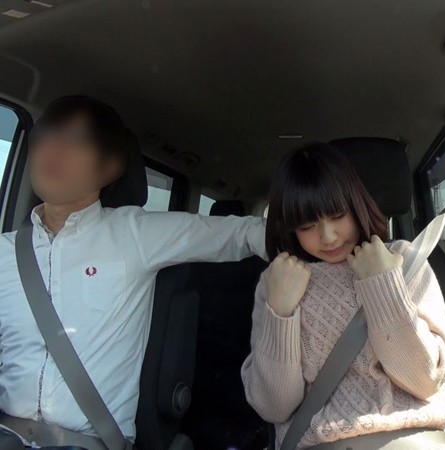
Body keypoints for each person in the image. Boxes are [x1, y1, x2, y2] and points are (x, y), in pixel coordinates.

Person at [0, 96, 266, 445]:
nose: (53, 148)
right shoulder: (5, 250)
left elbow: (244, 234)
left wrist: (320, 248)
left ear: (109, 167)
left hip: (90, 442)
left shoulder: (136, 233)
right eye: (44, 135)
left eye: (76, 139)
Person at [241, 143, 445, 449]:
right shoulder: (275, 283)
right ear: (290, 228)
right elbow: (273, 407)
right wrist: (280, 311)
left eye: (338, 215)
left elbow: (424, 380)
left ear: (357, 205)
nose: (328, 237)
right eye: (307, 225)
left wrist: (383, 285)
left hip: (419, 437)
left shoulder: (404, 261)